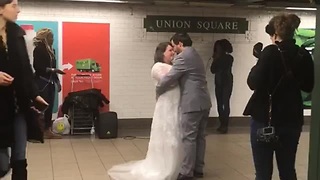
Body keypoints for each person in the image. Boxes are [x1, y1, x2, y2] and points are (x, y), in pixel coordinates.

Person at [243, 13, 314, 180]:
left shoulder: (269, 52)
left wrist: (258, 62)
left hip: (265, 118)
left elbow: (253, 82)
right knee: (288, 169)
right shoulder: (303, 55)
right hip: (291, 119)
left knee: (263, 172)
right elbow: (308, 86)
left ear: (275, 34)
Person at [108, 42, 184, 180]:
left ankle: (177, 165)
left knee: (176, 134)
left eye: (173, 50)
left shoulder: (175, 67)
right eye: (170, 50)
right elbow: (169, 81)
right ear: (161, 53)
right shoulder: (157, 67)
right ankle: (164, 166)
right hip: (166, 105)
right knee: (166, 134)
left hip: (176, 104)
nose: (173, 53)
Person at [0, 0, 48, 179]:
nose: (18, 9)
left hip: (18, 105)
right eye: (13, 5)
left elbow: (26, 69)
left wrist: (34, 93)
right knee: (2, 162)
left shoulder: (17, 35)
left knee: (20, 157)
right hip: (0, 108)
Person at [157, 33, 212, 180]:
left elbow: (170, 78)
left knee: (189, 138)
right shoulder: (195, 54)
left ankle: (187, 172)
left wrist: (158, 89)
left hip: (192, 103)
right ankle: (198, 169)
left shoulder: (183, 57)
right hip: (204, 102)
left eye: (174, 46)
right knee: (200, 137)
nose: (173, 50)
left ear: (180, 43)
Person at [33, 28, 64, 139]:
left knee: (50, 107)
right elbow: (37, 67)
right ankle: (38, 130)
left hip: (50, 82)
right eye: (51, 37)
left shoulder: (51, 51)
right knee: (42, 106)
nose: (53, 39)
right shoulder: (39, 49)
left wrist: (57, 81)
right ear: (45, 37)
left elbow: (53, 68)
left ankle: (47, 130)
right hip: (41, 82)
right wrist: (52, 70)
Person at [210, 39, 234, 134]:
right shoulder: (219, 58)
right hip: (219, 82)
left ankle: (225, 125)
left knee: (225, 102)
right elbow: (212, 70)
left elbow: (221, 67)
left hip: (226, 81)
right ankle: (222, 123)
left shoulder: (229, 58)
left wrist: (216, 59)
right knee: (220, 103)